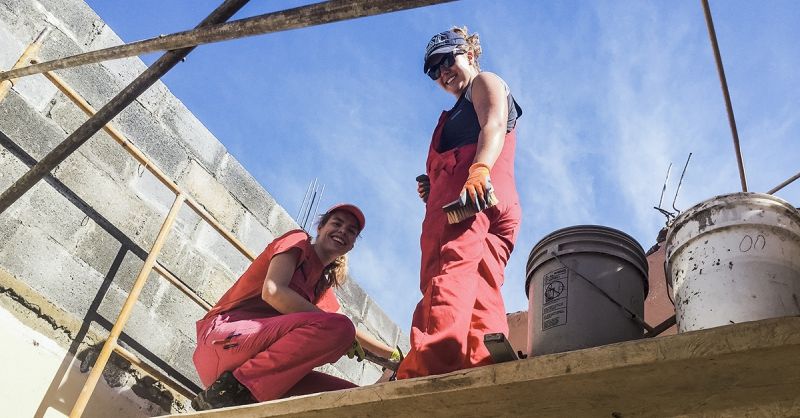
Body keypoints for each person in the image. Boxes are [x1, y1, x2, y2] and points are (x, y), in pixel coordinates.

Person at [397, 27, 523, 379]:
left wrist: (478, 169)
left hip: (474, 196)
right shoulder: (451, 115)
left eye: (446, 60)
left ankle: (431, 363)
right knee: (482, 282)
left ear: (469, 54)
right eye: (433, 70)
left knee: (447, 271)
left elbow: (494, 124)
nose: (442, 73)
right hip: (485, 201)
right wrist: (433, 182)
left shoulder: (483, 83)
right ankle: (482, 361)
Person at [191, 203, 398, 410]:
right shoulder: (297, 241)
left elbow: (352, 332)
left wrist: (396, 357)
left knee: (348, 403)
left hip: (251, 369)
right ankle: (228, 394)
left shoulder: (320, 287)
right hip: (223, 344)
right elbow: (273, 291)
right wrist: (342, 334)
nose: (343, 230)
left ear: (352, 244)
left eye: (351, 231)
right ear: (320, 227)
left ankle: (239, 394)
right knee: (339, 328)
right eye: (337, 223)